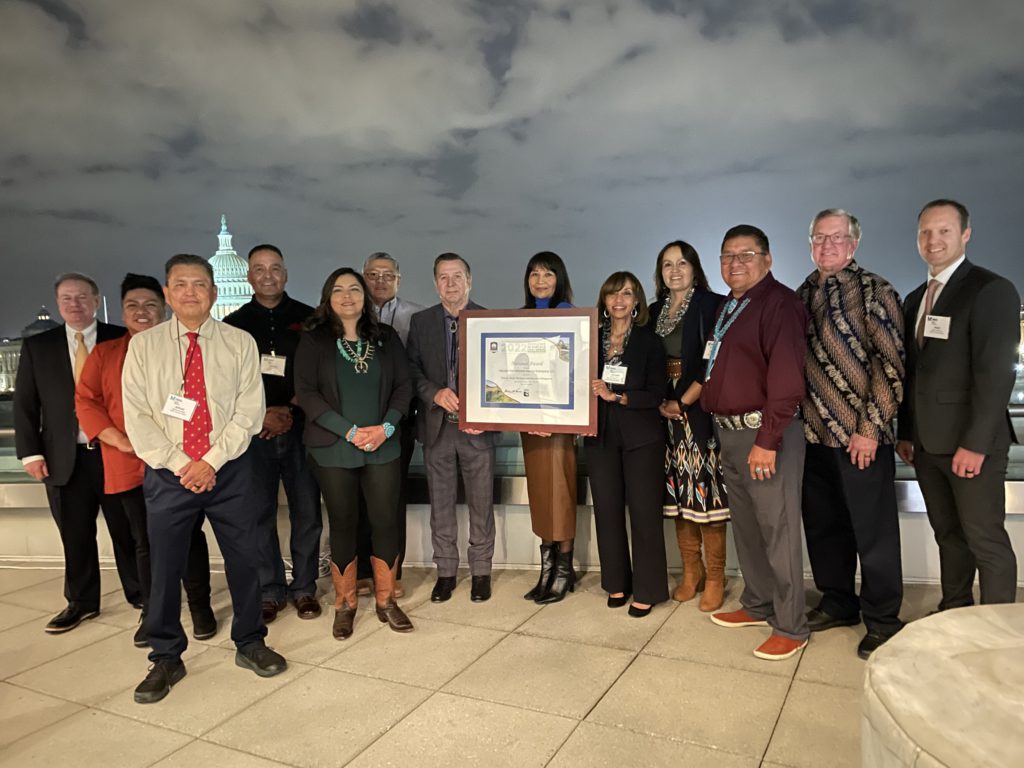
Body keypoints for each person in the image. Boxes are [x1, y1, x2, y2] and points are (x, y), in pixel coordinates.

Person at [123, 254, 286, 704]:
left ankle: (250, 641)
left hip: (230, 470)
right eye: (180, 284)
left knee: (245, 559)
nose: (190, 292)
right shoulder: (144, 347)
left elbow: (249, 412)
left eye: (199, 284)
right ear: (167, 293)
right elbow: (138, 417)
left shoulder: (239, 342)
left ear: (213, 292)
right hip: (168, 473)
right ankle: (165, 656)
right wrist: (182, 464)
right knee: (165, 566)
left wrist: (210, 461)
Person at [75, 274, 215, 648]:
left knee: (189, 535)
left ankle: (200, 606)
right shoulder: (105, 354)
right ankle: (153, 614)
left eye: (150, 305)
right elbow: (86, 402)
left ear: (164, 307)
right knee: (144, 541)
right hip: (130, 462)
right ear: (121, 312)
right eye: (132, 305)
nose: (142, 312)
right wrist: (121, 440)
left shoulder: (185, 348)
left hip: (181, 462)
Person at [896, 199, 1020, 610]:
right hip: (926, 446)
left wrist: (976, 444)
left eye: (944, 230)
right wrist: (906, 433)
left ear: (965, 234)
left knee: (985, 539)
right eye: (925, 232)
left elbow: (995, 375)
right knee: (948, 536)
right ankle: (955, 611)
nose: (933, 240)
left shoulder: (990, 289)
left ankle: (998, 627)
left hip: (970, 446)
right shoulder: (915, 299)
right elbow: (913, 374)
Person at [797, 209, 906, 660]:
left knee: (872, 532)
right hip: (811, 435)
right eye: (819, 238)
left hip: (860, 436)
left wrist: (870, 429)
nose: (827, 246)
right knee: (825, 527)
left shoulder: (876, 291)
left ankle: (883, 619)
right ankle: (838, 601)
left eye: (837, 238)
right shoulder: (802, 293)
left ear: (854, 244)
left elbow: (891, 364)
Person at [702, 225, 810, 661]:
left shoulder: (780, 304)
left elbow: (786, 380)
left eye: (746, 255)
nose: (735, 263)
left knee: (778, 531)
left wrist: (767, 440)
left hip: (765, 435)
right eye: (727, 256)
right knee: (748, 529)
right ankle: (758, 602)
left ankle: (791, 625)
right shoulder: (730, 305)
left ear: (767, 259)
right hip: (728, 434)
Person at [13, 272, 141, 633]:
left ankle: (140, 593)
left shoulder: (121, 338)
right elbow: (25, 403)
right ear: (57, 304)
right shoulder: (39, 346)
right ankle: (81, 602)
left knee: (127, 530)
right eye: (67, 298)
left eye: (82, 297)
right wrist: (30, 454)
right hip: (63, 457)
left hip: (115, 452)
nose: (75, 304)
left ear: (96, 300)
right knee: (75, 534)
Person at [294, 268, 414, 639]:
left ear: (365, 297)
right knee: (343, 523)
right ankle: (344, 604)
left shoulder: (386, 337)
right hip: (333, 448)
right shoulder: (313, 340)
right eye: (338, 290)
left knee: (385, 521)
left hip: (382, 446)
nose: (347, 296)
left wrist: (386, 428)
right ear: (327, 297)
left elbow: (404, 387)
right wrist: (348, 431)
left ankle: (386, 601)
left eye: (354, 289)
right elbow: (307, 394)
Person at [224, 244, 322, 624]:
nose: (268, 275)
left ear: (285, 273)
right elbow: (225, 385)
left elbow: (319, 375)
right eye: (260, 269)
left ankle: (305, 587)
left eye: (275, 268)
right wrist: (261, 416)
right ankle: (270, 590)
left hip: (302, 429)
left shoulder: (310, 319)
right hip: (254, 434)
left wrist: (291, 411)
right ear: (249, 276)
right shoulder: (231, 325)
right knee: (259, 514)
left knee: (307, 512)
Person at [407, 253, 497, 603]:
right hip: (437, 428)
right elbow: (411, 370)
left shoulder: (490, 320)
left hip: (478, 431)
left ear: (469, 281)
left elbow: (501, 376)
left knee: (481, 504)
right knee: (440, 505)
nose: (451, 283)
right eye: (443, 277)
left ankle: (481, 572)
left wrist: (484, 415)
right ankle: (446, 572)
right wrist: (434, 392)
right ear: (435, 284)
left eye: (457, 276)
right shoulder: (421, 322)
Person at [649, 241, 730, 612]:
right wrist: (659, 401)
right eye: (667, 265)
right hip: (661, 413)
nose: (675, 270)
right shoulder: (652, 311)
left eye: (682, 263)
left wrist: (683, 402)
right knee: (678, 496)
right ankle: (691, 572)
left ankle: (715, 578)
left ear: (695, 268)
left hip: (697, 411)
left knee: (706, 496)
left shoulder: (713, 305)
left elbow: (714, 362)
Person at [587, 272, 668, 617]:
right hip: (599, 435)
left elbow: (657, 394)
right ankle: (616, 581)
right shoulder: (589, 340)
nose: (619, 300)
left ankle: (647, 588)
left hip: (641, 437)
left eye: (627, 293)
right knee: (606, 510)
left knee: (644, 513)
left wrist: (618, 397)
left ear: (637, 302)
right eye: (612, 294)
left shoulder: (650, 342)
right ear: (604, 301)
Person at [355, 252, 426, 598]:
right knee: (357, 498)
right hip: (355, 422)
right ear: (362, 277)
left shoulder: (417, 316)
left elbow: (418, 368)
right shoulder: (348, 313)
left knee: (392, 498)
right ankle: (361, 572)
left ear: (399, 279)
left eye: (387, 275)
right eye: (372, 274)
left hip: (399, 419)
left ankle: (390, 572)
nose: (380, 281)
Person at [519, 251, 579, 604]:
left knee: (561, 492)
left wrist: (549, 415)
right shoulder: (520, 318)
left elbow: (573, 372)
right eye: (534, 274)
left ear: (560, 279)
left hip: (558, 422)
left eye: (548, 274)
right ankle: (547, 569)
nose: (540, 281)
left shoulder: (569, 315)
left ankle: (564, 571)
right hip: (530, 424)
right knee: (541, 493)